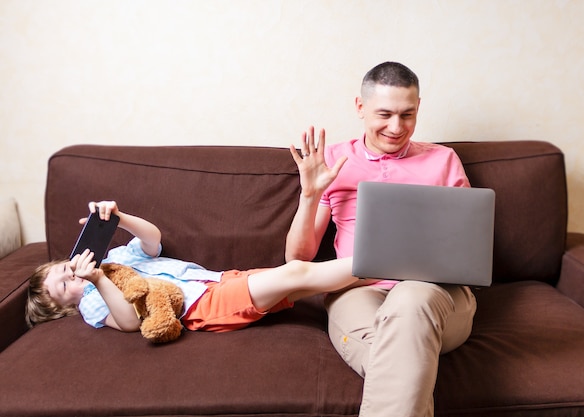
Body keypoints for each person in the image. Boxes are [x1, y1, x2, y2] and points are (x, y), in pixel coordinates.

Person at [285, 61, 477, 417]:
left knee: (410, 299)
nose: (396, 127)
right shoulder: (332, 161)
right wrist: (309, 195)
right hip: (358, 291)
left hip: (436, 293)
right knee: (404, 360)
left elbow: (467, 247)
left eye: (408, 115)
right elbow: (298, 259)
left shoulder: (444, 160)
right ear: (360, 107)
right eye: (385, 114)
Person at [26, 200, 371, 333]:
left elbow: (152, 240)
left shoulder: (117, 257)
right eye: (64, 285)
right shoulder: (90, 301)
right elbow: (130, 322)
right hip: (204, 306)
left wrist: (119, 219)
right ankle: (390, 260)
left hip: (218, 280)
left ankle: (383, 276)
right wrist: (96, 279)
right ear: (62, 308)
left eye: (65, 268)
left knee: (306, 284)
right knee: (297, 271)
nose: (72, 274)